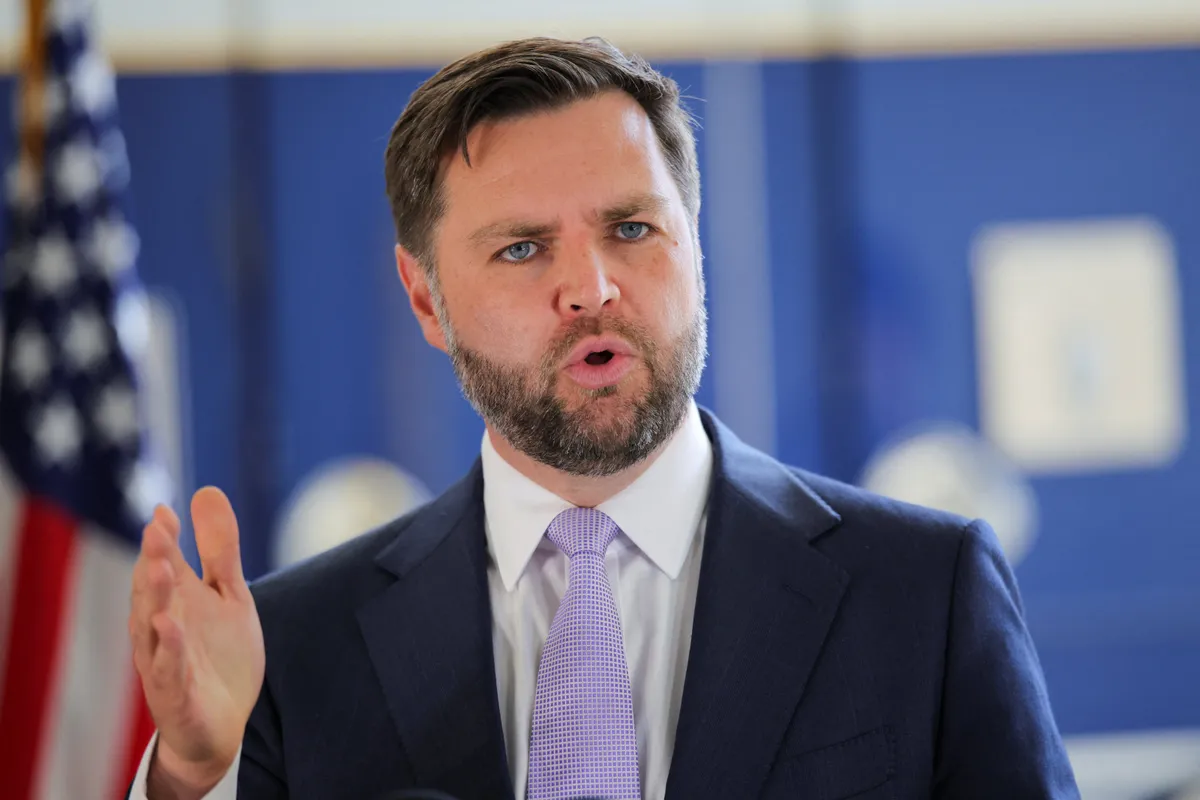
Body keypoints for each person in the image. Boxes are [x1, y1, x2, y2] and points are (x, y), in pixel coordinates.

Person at [128, 36, 1080, 800]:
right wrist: (190, 777)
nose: (591, 288)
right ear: (424, 300)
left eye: (631, 229)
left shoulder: (926, 591)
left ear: (693, 249)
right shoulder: (292, 648)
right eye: (521, 248)